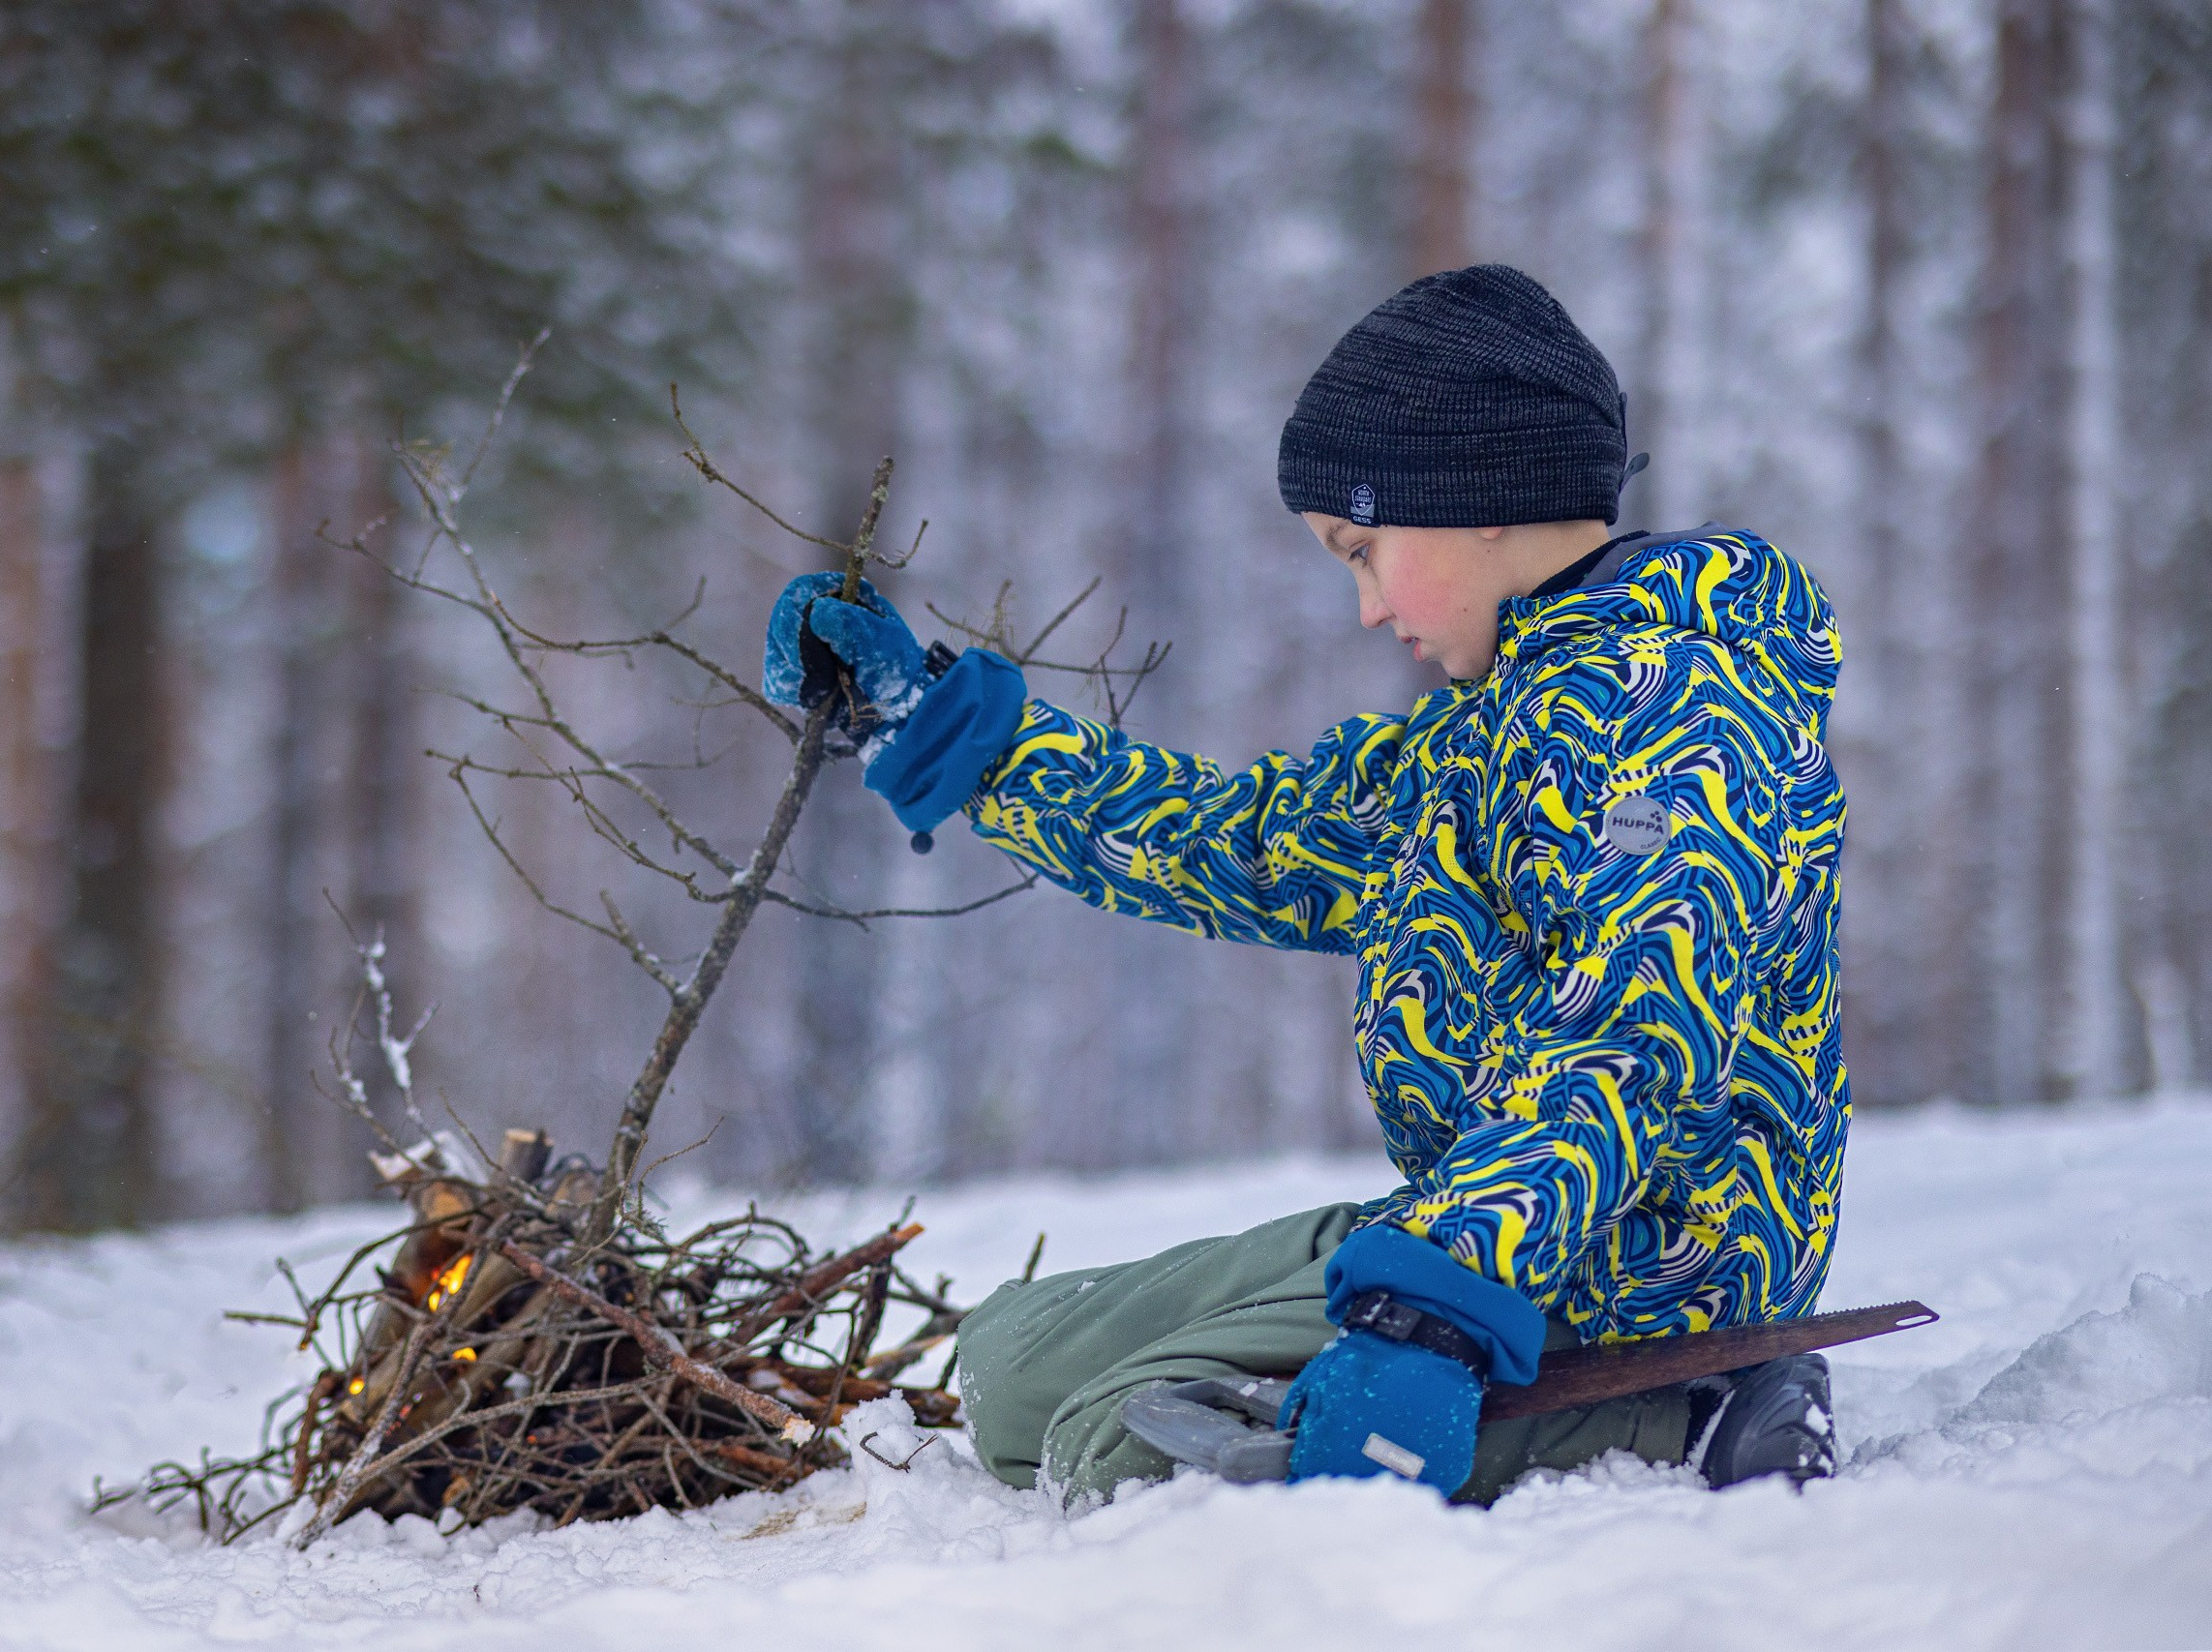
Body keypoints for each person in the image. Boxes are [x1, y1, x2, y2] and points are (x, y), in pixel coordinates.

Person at [761, 264, 1847, 1506]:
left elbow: (1626, 1042)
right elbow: (1242, 843)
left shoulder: (1675, 719)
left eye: (1363, 549)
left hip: (1635, 1278)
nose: (1368, 603)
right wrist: (939, 725)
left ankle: (1690, 1421)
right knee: (1010, 1368)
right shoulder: (1487, 729)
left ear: (1477, 498)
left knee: (1111, 1447)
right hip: (1484, 1234)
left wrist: (1431, 1319)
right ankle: (1445, 1373)